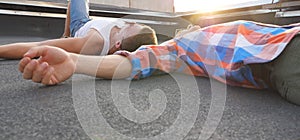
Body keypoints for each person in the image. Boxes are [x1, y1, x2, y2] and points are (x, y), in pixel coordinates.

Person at [18, 20, 300, 105]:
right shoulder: (179, 48)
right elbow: (134, 63)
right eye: (131, 24)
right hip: (284, 60)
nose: (128, 23)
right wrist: (74, 61)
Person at [0, 0, 157, 59]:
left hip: (81, 25)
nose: (128, 23)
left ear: (117, 45)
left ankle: (66, 35)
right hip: (91, 23)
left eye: (129, 27)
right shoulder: (124, 36)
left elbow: (37, 47)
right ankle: (65, 35)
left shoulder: (94, 42)